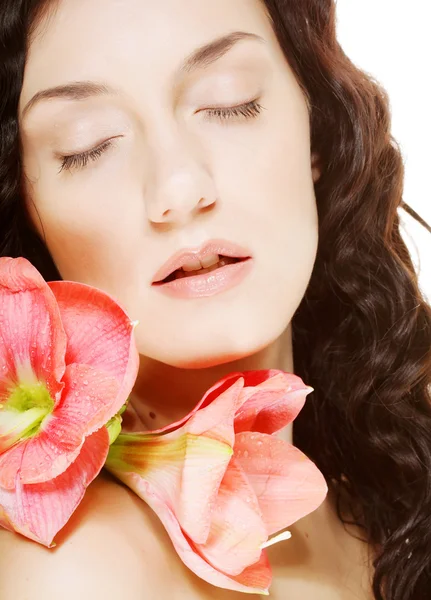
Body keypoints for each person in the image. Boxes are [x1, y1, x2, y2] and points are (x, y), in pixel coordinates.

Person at [0, 0, 430, 598]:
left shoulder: (395, 486)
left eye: (229, 102)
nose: (178, 187)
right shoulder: (79, 571)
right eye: (88, 145)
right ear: (29, 214)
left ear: (319, 133)